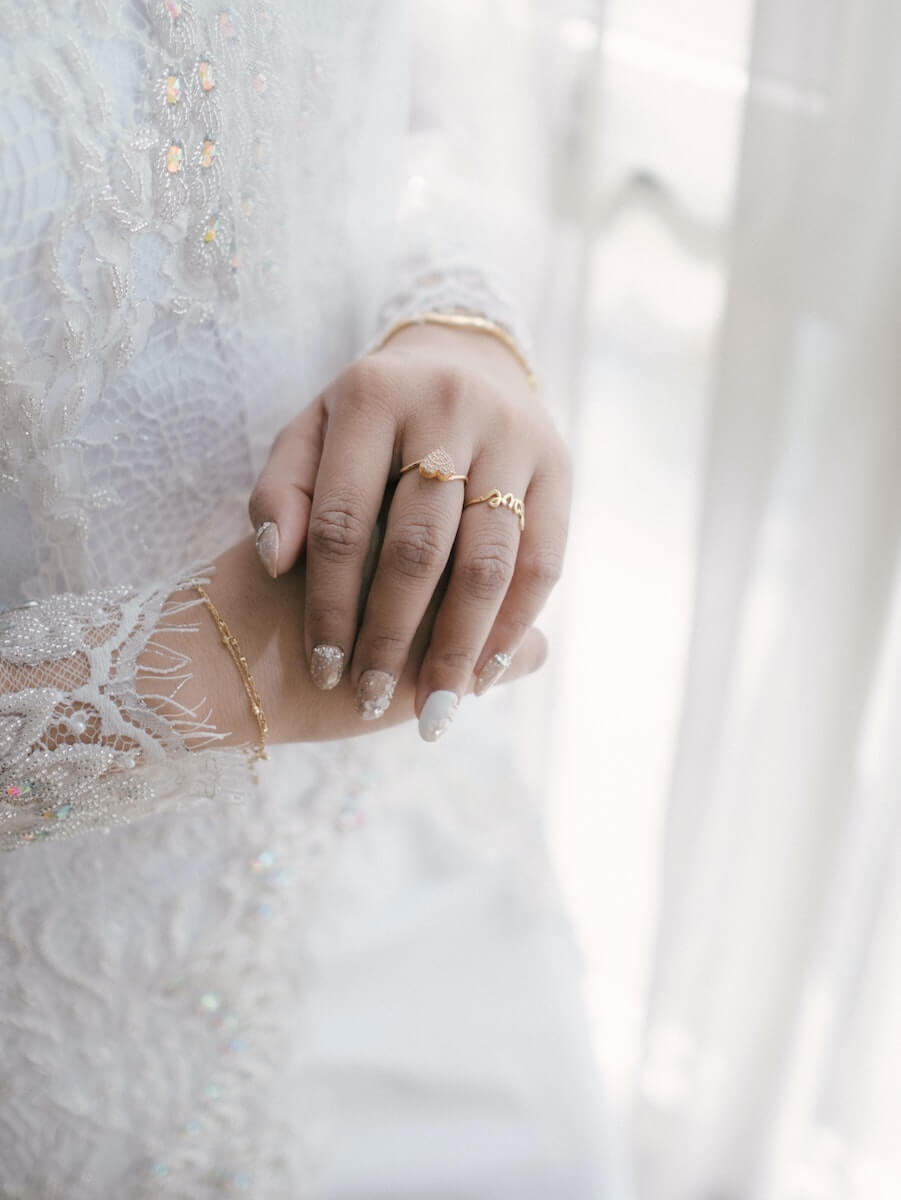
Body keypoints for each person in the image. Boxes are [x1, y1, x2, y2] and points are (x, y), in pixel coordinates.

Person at [0, 2, 606, 1195]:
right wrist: (185, 675)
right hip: (63, 1058)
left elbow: (438, 88)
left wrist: (456, 317)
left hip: (412, 866)